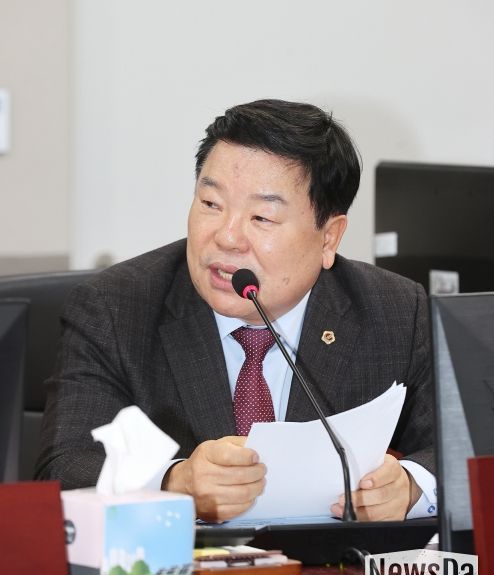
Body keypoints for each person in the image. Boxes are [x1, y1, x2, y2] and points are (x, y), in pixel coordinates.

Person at [36, 99, 437, 523]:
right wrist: (173, 483)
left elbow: (461, 452)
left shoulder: (393, 312)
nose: (227, 237)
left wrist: (411, 487)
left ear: (329, 238)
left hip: (333, 563)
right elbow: (62, 468)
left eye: (262, 217)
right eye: (211, 204)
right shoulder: (115, 308)